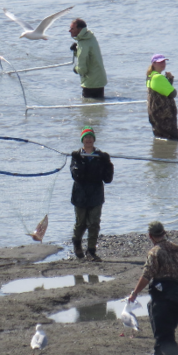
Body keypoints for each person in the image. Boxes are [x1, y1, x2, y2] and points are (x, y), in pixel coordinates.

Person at [129, 221, 178, 355]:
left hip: (163, 295)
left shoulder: (154, 252)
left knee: (163, 334)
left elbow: (147, 275)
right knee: (166, 330)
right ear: (164, 232)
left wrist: (135, 293)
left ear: (150, 236)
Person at [70, 126, 114, 261]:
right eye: (86, 137)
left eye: (90, 137)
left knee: (94, 223)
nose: (88, 140)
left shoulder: (100, 157)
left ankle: (91, 251)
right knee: (81, 224)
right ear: (82, 140)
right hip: (80, 195)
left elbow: (108, 179)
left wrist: (107, 162)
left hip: (96, 194)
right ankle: (77, 244)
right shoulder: (76, 157)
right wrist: (80, 160)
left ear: (94, 140)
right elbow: (77, 176)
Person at [69, 18, 108, 98]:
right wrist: (76, 50)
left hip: (90, 83)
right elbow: (89, 56)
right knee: (99, 106)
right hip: (100, 80)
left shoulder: (83, 43)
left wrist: (76, 69)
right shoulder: (90, 37)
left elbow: (82, 69)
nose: (69, 31)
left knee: (87, 108)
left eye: (72, 28)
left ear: (79, 29)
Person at [146, 54, 178, 140]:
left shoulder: (150, 76)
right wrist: (169, 80)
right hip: (164, 115)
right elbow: (172, 93)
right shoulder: (159, 77)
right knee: (172, 139)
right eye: (159, 62)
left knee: (160, 139)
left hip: (154, 113)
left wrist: (169, 80)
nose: (163, 64)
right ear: (153, 64)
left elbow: (161, 91)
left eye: (164, 61)